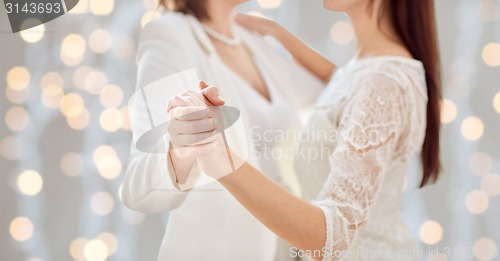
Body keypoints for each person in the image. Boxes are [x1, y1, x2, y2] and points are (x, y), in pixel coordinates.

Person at [166, 0, 442, 260]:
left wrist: (220, 157)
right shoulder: (368, 69)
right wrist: (280, 35)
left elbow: (333, 236)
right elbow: (342, 82)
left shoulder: (381, 83)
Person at [121, 0, 328, 260]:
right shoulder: (170, 34)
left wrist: (283, 35)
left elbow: (339, 94)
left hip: (291, 245)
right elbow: (137, 191)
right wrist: (181, 150)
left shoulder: (250, 39)